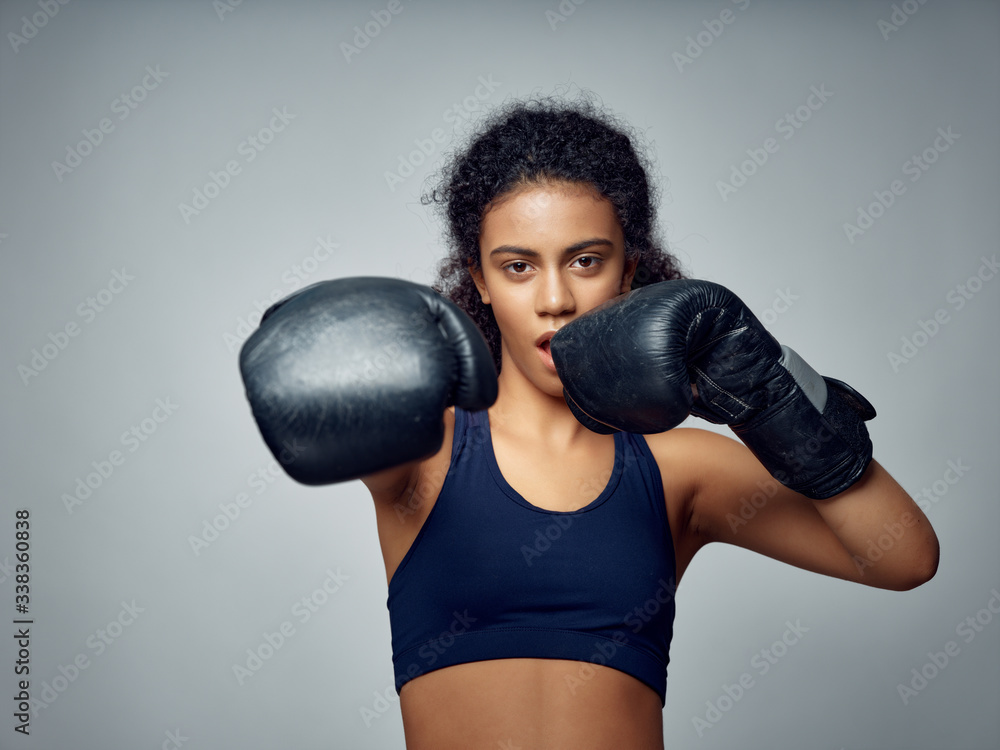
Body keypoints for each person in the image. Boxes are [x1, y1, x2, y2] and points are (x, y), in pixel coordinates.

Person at [238, 93, 940, 749]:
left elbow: (905, 559)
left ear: (627, 272)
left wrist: (774, 388)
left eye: (584, 260)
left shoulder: (675, 469)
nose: (554, 298)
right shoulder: (422, 452)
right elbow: (301, 375)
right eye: (517, 266)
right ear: (477, 279)